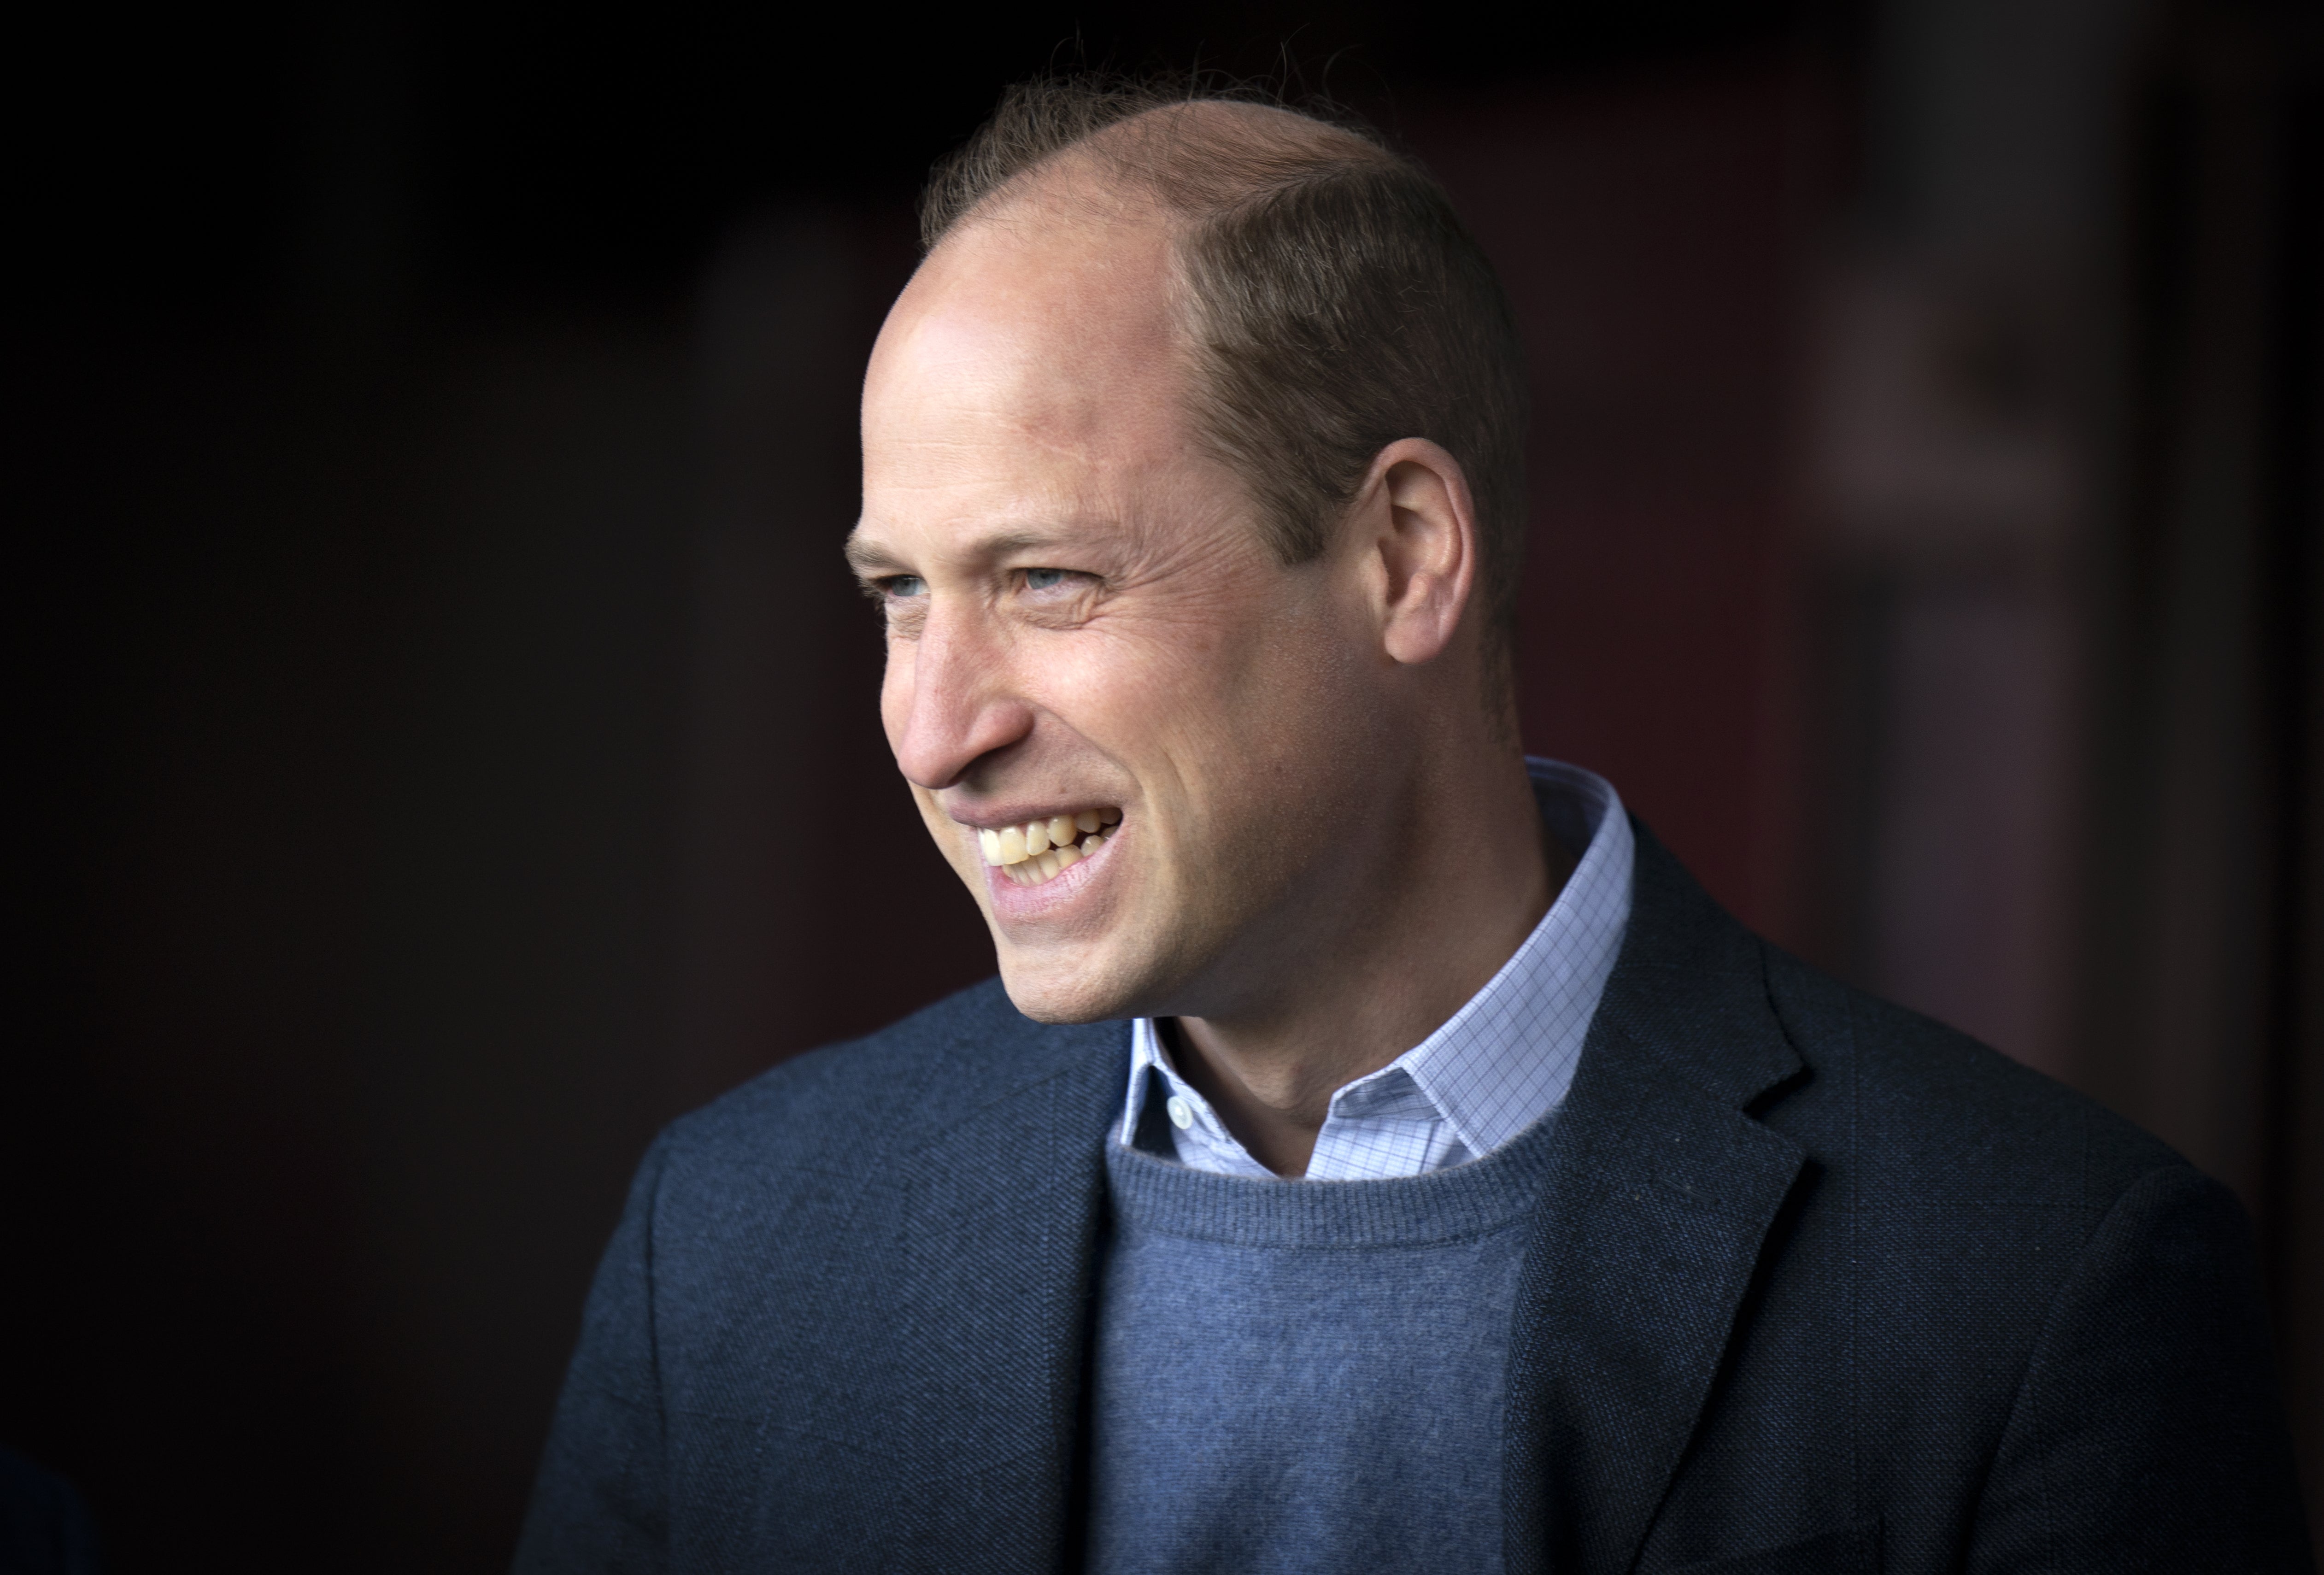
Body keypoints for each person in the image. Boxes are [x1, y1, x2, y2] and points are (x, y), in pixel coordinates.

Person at [514, 79, 2311, 1574]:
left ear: (1401, 558)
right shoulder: (733, 1249)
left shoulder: (2039, 1296)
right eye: (899, 594)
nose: (933, 726)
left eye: (1044, 580)